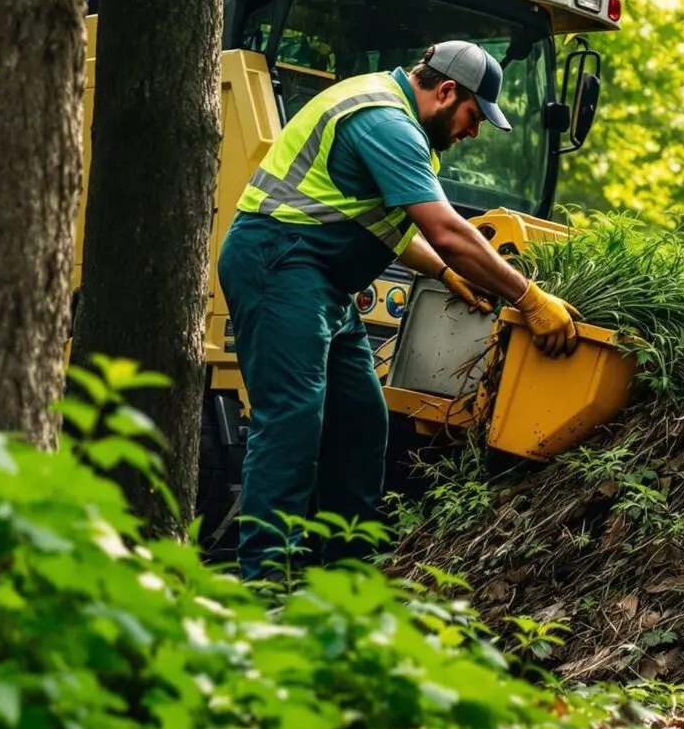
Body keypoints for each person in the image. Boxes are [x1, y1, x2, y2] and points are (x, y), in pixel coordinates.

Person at [217, 39, 579, 579]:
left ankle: (342, 582)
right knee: (292, 423)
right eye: (474, 117)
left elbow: (373, 221)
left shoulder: (400, 123)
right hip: (280, 263)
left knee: (362, 425)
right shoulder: (384, 120)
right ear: (447, 91)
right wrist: (528, 297)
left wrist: (442, 271)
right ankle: (264, 589)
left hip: (322, 282)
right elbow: (446, 230)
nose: (473, 131)